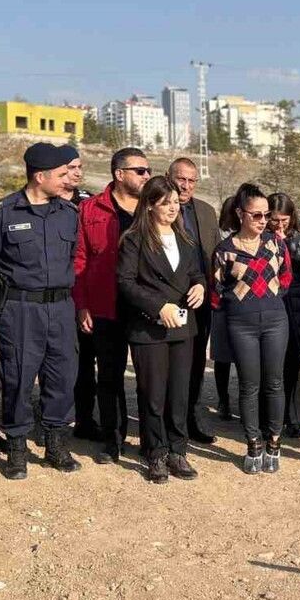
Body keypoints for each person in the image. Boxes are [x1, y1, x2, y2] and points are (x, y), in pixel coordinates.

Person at [0, 143, 81, 480]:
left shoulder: (69, 213)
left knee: (62, 377)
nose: (68, 179)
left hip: (61, 307)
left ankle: (55, 444)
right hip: (20, 309)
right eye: (61, 174)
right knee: (18, 377)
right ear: (40, 176)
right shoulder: (4, 213)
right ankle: (18, 448)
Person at [118, 176, 206, 484]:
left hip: (183, 327)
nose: (172, 207)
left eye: (175, 202)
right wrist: (158, 306)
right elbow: (126, 283)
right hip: (149, 329)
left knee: (179, 393)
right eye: (165, 202)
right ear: (150, 205)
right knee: (153, 393)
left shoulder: (184, 237)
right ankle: (155, 453)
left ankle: (177, 451)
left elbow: (196, 272)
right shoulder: (134, 239)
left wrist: (200, 287)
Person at [74, 148, 151, 463]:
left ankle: (151, 441)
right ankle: (112, 439)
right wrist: (82, 305)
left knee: (150, 378)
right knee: (109, 376)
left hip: (146, 307)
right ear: (119, 174)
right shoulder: (90, 209)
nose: (147, 176)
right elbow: (80, 259)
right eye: (140, 170)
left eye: (148, 170)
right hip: (106, 306)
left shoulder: (154, 207)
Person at [211, 184, 291, 474]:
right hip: (240, 324)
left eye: (265, 215)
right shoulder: (225, 250)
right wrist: (241, 305)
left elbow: (286, 277)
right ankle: (253, 443)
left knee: (274, 382)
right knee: (249, 385)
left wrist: (267, 300)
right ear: (239, 213)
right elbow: (217, 290)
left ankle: (274, 442)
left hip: (275, 321)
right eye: (256, 215)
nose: (262, 221)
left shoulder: (275, 244)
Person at [170, 158, 222, 444]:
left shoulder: (205, 211)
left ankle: (190, 416)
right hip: (169, 299)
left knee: (195, 361)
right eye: (181, 179)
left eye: (191, 180)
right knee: (170, 362)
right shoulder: (157, 208)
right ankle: (167, 422)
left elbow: (214, 253)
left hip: (201, 299)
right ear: (169, 177)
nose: (185, 185)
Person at [267, 193, 300, 440]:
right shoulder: (261, 235)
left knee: (293, 365)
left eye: (284, 220)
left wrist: (289, 246)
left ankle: (294, 419)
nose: (279, 225)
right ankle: (271, 417)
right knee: (271, 364)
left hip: (294, 303)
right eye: (274, 220)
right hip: (269, 302)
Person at [59, 146, 99, 440]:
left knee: (85, 361)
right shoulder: (38, 203)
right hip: (54, 293)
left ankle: (85, 419)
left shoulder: (87, 203)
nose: (77, 172)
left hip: (83, 291)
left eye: (79, 167)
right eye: (71, 167)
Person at [210, 195, 239, 421]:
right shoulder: (222, 240)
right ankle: (224, 400)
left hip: (227, 304)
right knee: (223, 357)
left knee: (227, 358)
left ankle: (225, 400)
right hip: (223, 304)